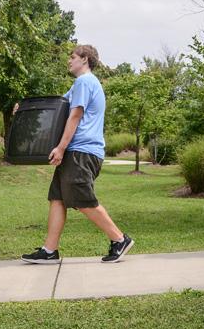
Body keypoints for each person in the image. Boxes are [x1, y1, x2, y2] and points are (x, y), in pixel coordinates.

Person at [20, 44, 134, 264]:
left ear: (85, 59)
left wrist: (60, 148)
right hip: (76, 151)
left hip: (82, 151)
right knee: (57, 199)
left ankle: (119, 239)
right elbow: (55, 111)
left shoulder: (84, 82)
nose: (68, 60)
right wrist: (23, 111)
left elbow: (74, 116)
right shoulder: (79, 85)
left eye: (72, 57)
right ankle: (49, 250)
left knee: (82, 200)